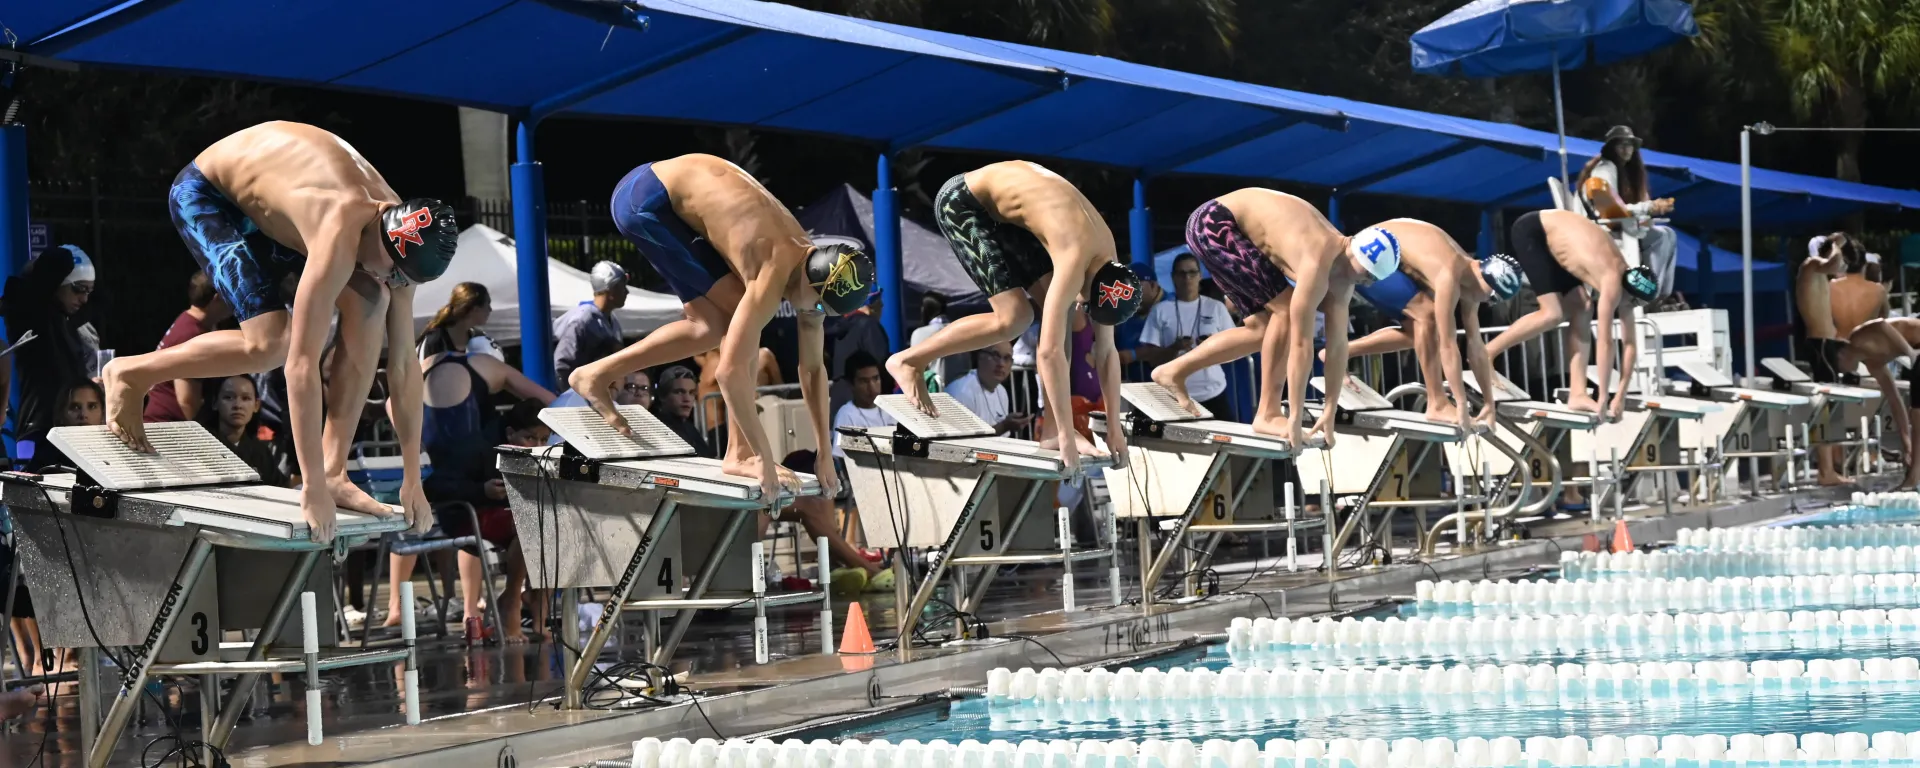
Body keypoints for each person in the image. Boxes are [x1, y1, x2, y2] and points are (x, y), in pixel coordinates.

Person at [99, 121, 457, 542]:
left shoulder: (401, 241)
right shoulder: (338, 228)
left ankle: (335, 471)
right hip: (210, 196)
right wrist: (310, 487)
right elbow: (301, 366)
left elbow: (403, 367)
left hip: (272, 211)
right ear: (387, 240)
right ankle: (131, 373)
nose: (394, 281)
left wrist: (413, 478)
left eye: (403, 279)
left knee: (371, 302)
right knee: (273, 344)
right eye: (393, 272)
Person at [568, 154, 875, 504]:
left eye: (825, 311)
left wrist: (824, 451)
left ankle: (595, 375)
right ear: (810, 279)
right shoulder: (772, 273)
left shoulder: (814, 276)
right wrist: (764, 455)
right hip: (644, 200)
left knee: (709, 327)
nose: (815, 314)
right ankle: (740, 454)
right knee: (736, 322)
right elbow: (728, 373)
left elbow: (814, 369)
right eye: (818, 305)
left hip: (661, 193)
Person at [886, 161, 1145, 472]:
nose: (1083, 307)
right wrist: (1069, 436)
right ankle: (909, 360)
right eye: (1086, 303)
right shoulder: (1073, 260)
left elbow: (1106, 352)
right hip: (964, 203)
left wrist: (1115, 429)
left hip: (1011, 218)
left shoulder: (1110, 264)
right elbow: (1048, 352)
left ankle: (1051, 431)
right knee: (1015, 318)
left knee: (1062, 316)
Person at [1153, 189, 1402, 445]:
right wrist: (1295, 416)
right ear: (1354, 255)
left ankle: (1173, 371)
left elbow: (1338, 347)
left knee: (1262, 329)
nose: (1368, 284)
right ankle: (1268, 414)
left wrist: (1330, 411)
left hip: (1226, 229)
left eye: (1373, 279)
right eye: (1367, 275)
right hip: (1214, 223)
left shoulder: (1344, 277)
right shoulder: (1317, 260)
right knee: (1285, 313)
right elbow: (1301, 345)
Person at [1322, 220, 1525, 429]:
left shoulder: (1473, 280)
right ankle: (1437, 403)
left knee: (1421, 334)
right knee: (1427, 317)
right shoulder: (1449, 274)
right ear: (1485, 279)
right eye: (1492, 298)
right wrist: (1462, 404)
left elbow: (1476, 345)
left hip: (1393, 257)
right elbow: (1448, 346)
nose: (1488, 304)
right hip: (1367, 255)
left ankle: (1339, 353)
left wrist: (1489, 403)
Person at [1485, 209, 1659, 421]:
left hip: (1558, 236)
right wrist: (1604, 397)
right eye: (1633, 302)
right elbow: (1605, 342)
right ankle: (1487, 353)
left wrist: (1620, 396)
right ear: (1628, 291)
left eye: (1637, 304)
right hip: (1534, 230)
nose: (1631, 307)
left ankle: (1578, 393)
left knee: (1582, 306)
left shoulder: (1628, 284)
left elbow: (1630, 344)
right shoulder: (1612, 283)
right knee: (1553, 313)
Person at [424, 399, 553, 644]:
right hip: (467, 515)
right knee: (531, 523)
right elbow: (433, 486)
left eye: (544, 439)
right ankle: (512, 599)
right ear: (510, 433)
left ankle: (538, 602)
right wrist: (481, 490)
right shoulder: (478, 447)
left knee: (562, 524)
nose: (538, 446)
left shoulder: (539, 453)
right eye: (530, 438)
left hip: (509, 516)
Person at [5, 245, 96, 446]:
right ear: (57, 283)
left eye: (89, 291)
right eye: (79, 288)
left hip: (66, 430)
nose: (84, 298)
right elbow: (58, 260)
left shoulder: (66, 324)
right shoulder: (29, 313)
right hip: (37, 432)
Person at [1578, 126, 1678, 300]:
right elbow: (1609, 211)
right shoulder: (1604, 170)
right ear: (1611, 148)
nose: (1626, 149)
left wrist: (1652, 210)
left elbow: (1625, 209)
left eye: (1630, 145)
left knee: (1669, 234)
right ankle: (1645, 293)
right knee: (1659, 237)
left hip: (1620, 227)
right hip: (1600, 231)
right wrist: (1649, 207)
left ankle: (1660, 295)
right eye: (1621, 145)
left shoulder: (1628, 173)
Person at [1137, 253, 1237, 419]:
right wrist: (1174, 348)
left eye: (1192, 272)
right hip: (1174, 395)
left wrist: (1212, 345)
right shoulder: (1160, 310)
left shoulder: (1216, 307)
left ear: (1200, 275)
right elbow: (1151, 358)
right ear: (1173, 277)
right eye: (1181, 273)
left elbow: (1233, 348)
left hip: (1213, 391)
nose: (1187, 278)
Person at [1800, 233, 1863, 485]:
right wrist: (1837, 244)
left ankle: (1830, 469)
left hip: (1825, 345)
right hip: (1820, 345)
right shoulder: (1811, 265)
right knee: (1824, 408)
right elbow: (1833, 263)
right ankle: (1825, 471)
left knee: (1830, 406)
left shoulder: (1819, 274)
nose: (1843, 264)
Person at [1839, 317, 1920, 488]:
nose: (1843, 372)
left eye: (1840, 368)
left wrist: (1909, 352)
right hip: (1915, 351)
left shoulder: (1857, 338)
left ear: (1842, 354)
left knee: (1917, 414)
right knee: (1915, 413)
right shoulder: (1873, 363)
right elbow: (1894, 399)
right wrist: (1906, 443)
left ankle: (1914, 478)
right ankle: (1914, 476)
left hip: (1915, 349)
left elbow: (1882, 324)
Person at [143, 271, 234, 424]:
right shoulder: (191, 334)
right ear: (217, 298)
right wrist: (203, 432)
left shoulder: (188, 320)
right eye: (231, 296)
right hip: (168, 425)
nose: (235, 303)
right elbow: (186, 401)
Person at [204, 375, 292, 487]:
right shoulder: (199, 445)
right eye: (228, 397)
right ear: (215, 403)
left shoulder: (260, 452)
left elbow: (280, 487)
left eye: (246, 398)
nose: (237, 405)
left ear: (256, 405)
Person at [552, 262, 628, 385]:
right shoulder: (582, 319)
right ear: (611, 289)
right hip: (578, 391)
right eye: (622, 286)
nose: (627, 292)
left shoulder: (612, 321)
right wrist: (570, 393)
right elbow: (561, 365)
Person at [945, 342, 1030, 436]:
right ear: (980, 357)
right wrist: (1004, 426)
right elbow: (964, 440)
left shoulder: (1001, 391)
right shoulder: (961, 392)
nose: (1001, 364)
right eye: (995, 355)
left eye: (1007, 358)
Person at [419, 281, 505, 362]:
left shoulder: (479, 337)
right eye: (487, 304)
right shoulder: (435, 340)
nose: (490, 309)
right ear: (474, 309)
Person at [832, 352, 897, 458]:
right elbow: (839, 457)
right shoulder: (847, 414)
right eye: (864, 381)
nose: (872, 387)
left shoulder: (890, 409)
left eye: (875, 379)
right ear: (851, 385)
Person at [654, 365, 715, 459]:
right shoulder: (657, 428)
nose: (687, 399)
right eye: (679, 392)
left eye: (691, 393)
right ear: (662, 396)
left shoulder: (690, 428)